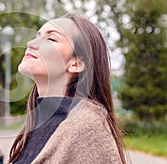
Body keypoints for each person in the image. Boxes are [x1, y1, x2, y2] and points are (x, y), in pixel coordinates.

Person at [9, 12, 127, 164]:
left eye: (51, 38)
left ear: (76, 64)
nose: (31, 43)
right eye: (38, 35)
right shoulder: (40, 123)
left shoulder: (87, 126)